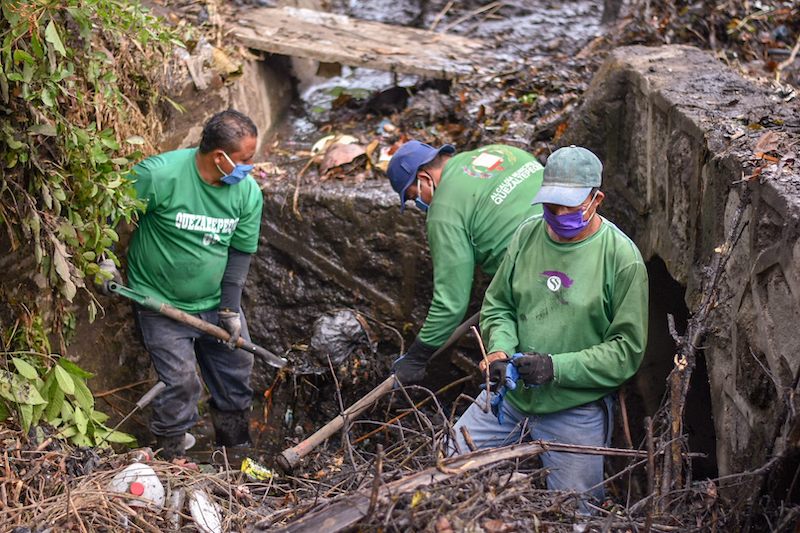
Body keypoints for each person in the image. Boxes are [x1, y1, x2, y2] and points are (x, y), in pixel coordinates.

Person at [451, 145, 649, 513]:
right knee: (446, 466)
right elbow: (499, 304)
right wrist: (499, 351)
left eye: (569, 206)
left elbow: (626, 351)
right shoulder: (528, 235)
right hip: (510, 397)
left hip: (574, 408)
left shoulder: (622, 259)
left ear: (597, 199)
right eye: (550, 205)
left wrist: (556, 367)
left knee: (576, 512)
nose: (557, 215)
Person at [100, 110, 264, 459]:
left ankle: (233, 451)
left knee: (236, 371)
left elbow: (239, 254)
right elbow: (109, 212)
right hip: (160, 304)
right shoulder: (159, 176)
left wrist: (230, 310)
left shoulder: (247, 193)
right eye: (245, 160)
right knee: (181, 382)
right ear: (219, 157)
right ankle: (173, 454)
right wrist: (104, 257)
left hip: (215, 301)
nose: (250, 167)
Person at [386, 140, 544, 384]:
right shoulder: (500, 152)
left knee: (524, 365)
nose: (419, 204)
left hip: (536, 276)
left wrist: (417, 356)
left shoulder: (443, 211)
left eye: (413, 196)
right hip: (579, 237)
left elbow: (450, 302)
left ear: (424, 178)